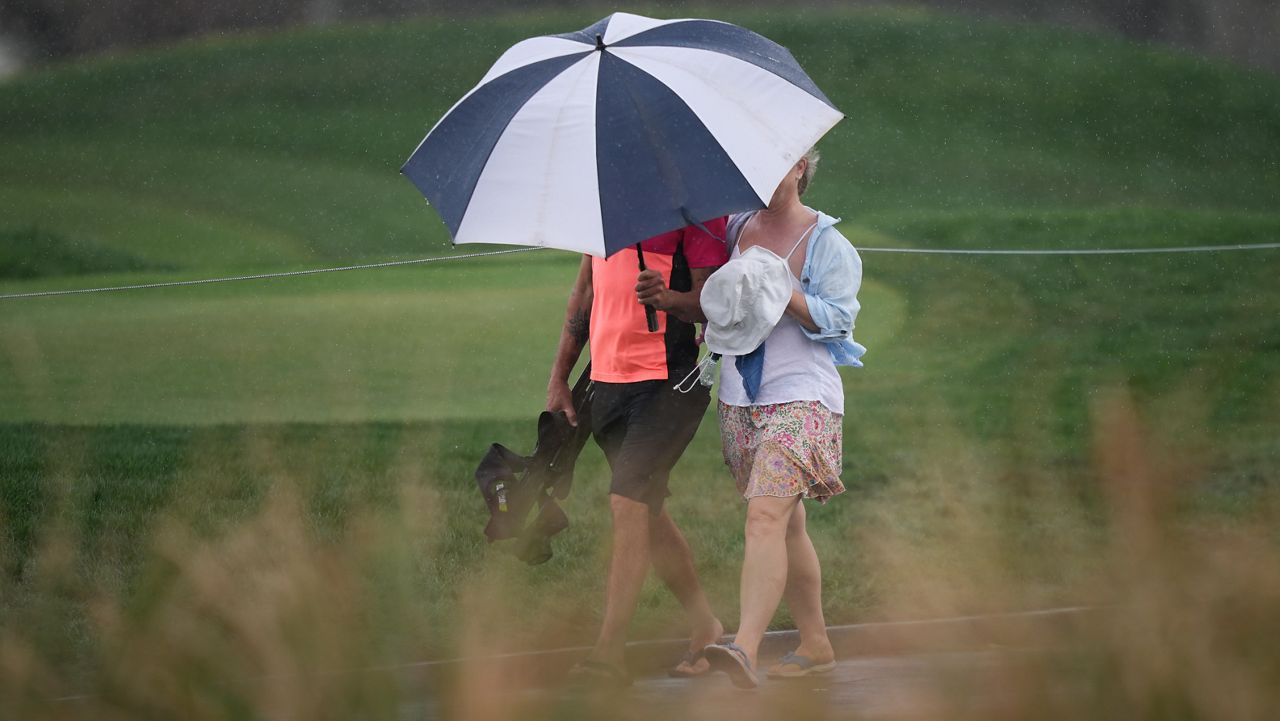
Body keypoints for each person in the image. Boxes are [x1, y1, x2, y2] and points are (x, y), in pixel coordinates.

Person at [702, 148, 866, 689]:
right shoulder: (732, 228)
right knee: (787, 524)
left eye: (780, 164)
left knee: (764, 519)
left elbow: (839, 321)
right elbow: (720, 305)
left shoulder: (825, 242)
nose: (765, 176)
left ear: (802, 169)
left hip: (804, 396)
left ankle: (744, 648)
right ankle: (816, 642)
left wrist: (784, 292)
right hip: (739, 397)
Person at [546, 219, 729, 686]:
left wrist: (669, 299)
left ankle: (608, 654)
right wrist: (559, 378)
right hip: (605, 386)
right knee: (645, 510)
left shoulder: (695, 212)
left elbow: (713, 305)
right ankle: (705, 624)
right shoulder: (598, 211)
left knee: (627, 500)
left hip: (668, 386)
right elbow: (583, 296)